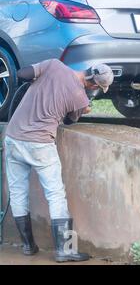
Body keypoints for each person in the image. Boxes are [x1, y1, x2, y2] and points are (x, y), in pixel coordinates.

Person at [4, 59, 114, 262]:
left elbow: (22, 74)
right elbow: (69, 121)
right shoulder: (80, 99)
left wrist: (40, 84)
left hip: (13, 137)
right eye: (98, 88)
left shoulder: (54, 65)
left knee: (18, 191)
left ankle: (28, 246)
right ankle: (65, 250)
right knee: (56, 195)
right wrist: (84, 108)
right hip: (40, 144)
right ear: (92, 84)